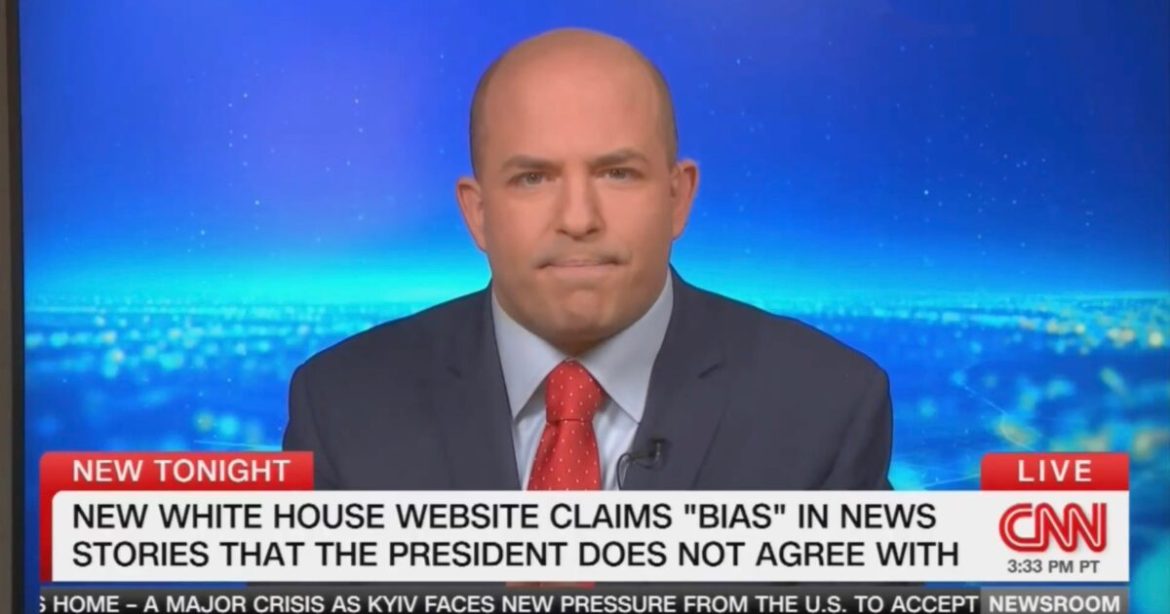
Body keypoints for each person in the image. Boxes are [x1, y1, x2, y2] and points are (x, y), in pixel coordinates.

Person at [284, 28, 893, 492]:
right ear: (478, 213)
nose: (578, 218)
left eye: (617, 173)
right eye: (532, 178)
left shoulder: (828, 406)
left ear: (678, 198)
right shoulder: (339, 404)